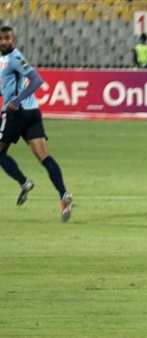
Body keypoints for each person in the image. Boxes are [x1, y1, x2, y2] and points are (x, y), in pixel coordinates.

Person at [0, 26, 73, 222]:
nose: (4, 42)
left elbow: (37, 80)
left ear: (14, 39)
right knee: (45, 158)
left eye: (7, 38)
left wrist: (16, 100)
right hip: (32, 113)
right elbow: (8, 88)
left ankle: (24, 182)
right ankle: (64, 195)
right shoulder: (6, 60)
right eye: (1, 39)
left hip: (17, 114)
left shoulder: (14, 58)